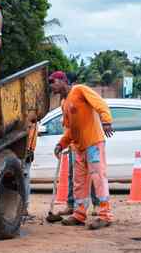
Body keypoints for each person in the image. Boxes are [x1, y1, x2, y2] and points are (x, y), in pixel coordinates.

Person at [48, 71, 115, 228]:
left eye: (53, 82)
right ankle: (79, 214)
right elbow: (70, 129)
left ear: (63, 81)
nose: (51, 85)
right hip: (78, 147)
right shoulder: (64, 103)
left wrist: (106, 120)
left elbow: (100, 103)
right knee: (79, 183)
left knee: (98, 178)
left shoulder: (79, 90)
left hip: (93, 143)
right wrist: (62, 144)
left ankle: (105, 216)